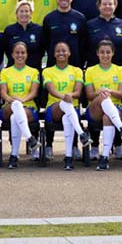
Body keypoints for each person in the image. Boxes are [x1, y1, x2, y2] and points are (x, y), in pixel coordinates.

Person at [84, 40, 122, 170]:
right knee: (103, 97)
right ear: (97, 54)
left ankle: (104, 158)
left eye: (108, 52)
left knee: (108, 117)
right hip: (95, 108)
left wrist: (109, 91)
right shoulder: (90, 71)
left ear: (113, 53)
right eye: (102, 52)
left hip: (115, 108)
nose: (105, 55)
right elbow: (89, 95)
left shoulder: (120, 70)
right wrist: (99, 93)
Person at [42, 41, 90, 170]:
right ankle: (81, 133)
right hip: (54, 108)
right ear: (54, 54)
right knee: (64, 106)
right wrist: (64, 97)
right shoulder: (48, 71)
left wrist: (71, 95)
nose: (61, 53)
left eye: (64, 50)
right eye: (58, 51)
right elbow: (51, 89)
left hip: (71, 109)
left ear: (69, 53)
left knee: (67, 119)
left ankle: (68, 157)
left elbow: (78, 92)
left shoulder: (77, 70)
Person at [0, 41, 41, 168]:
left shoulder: (33, 71)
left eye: (22, 52)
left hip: (28, 107)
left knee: (15, 117)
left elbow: (34, 93)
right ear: (11, 55)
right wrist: (13, 101)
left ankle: (14, 155)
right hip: (9, 106)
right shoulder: (5, 72)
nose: (20, 55)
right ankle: (29, 138)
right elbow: (3, 93)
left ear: (27, 54)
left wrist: (21, 101)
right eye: (17, 52)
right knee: (15, 109)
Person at [41, 0, 87, 69]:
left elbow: (83, 43)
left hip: (75, 65)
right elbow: (46, 43)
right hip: (54, 66)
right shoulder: (49, 18)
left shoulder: (80, 18)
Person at [85, 0, 122, 68]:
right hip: (95, 71)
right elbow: (84, 48)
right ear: (99, 6)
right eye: (104, 4)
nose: (107, 6)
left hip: (119, 72)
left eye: (110, 4)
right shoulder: (89, 25)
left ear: (115, 5)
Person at [3, 0, 44, 71]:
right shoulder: (9, 30)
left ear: (31, 13)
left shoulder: (39, 30)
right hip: (14, 71)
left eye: (26, 11)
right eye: (21, 11)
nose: (24, 14)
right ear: (16, 14)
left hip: (34, 70)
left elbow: (42, 50)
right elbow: (8, 51)